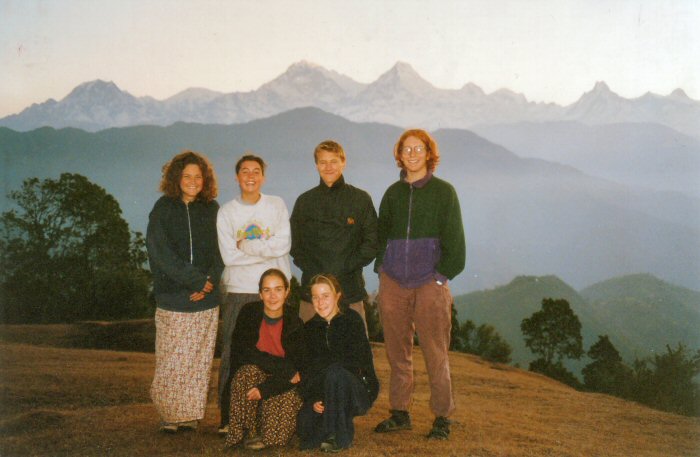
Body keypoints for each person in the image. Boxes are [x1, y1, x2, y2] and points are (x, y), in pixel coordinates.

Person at [373, 129, 466, 440]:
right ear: (399, 155)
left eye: (418, 149)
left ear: (429, 154)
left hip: (430, 283)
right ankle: (400, 413)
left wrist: (440, 277)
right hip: (394, 282)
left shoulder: (444, 192)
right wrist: (381, 269)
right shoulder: (392, 194)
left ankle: (442, 417)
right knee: (397, 352)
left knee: (435, 352)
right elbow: (380, 235)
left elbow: (456, 244)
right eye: (406, 149)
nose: (412, 154)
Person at [146, 150, 224, 433]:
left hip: (207, 298)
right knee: (172, 357)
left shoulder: (212, 210)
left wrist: (209, 283)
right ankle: (170, 415)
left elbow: (221, 252)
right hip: (173, 296)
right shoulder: (163, 209)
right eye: (187, 176)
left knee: (198, 358)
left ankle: (189, 415)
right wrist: (193, 281)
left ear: (205, 180)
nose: (192, 181)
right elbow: (160, 253)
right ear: (176, 178)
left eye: (198, 177)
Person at [216, 153, 292, 434]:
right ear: (237, 177)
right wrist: (265, 250)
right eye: (244, 171)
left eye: (256, 171)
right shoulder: (227, 212)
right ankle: (228, 417)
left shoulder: (276, 205)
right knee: (234, 352)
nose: (250, 176)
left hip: (275, 293)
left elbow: (283, 244)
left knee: (276, 352)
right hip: (239, 290)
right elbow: (229, 257)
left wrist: (247, 246)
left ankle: (266, 414)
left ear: (263, 176)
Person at [290, 140, 378, 327]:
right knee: (308, 351)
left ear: (343, 162)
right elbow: (295, 246)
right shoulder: (304, 202)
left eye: (333, 161)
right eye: (323, 162)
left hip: (350, 291)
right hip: (311, 294)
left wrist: (346, 266)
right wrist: (315, 273)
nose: (328, 167)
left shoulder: (360, 199)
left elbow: (371, 243)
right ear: (316, 165)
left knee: (354, 352)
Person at [224, 268, 306, 451]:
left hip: (280, 385)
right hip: (257, 376)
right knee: (246, 372)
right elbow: (243, 352)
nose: (272, 296)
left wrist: (265, 389)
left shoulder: (295, 322)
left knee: (273, 441)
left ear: (287, 292)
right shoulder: (248, 313)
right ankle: (243, 433)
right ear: (260, 294)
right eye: (267, 290)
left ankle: (266, 433)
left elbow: (297, 372)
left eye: (278, 289)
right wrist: (282, 366)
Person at [297, 274, 379, 452]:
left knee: (336, 372)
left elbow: (356, 362)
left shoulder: (352, 320)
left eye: (325, 295)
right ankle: (327, 427)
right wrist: (314, 398)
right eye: (315, 297)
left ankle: (338, 437)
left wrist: (326, 388)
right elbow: (306, 370)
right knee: (304, 429)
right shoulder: (309, 328)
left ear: (337, 296)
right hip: (324, 390)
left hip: (355, 389)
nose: (320, 302)